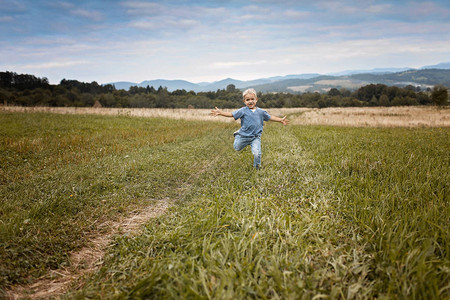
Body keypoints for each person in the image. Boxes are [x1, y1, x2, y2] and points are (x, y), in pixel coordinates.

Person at [211, 88, 288, 169]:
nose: (250, 101)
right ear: (244, 101)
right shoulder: (242, 111)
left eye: (252, 99)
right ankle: (237, 134)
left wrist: (280, 120)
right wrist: (220, 113)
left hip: (255, 137)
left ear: (256, 100)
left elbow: (270, 117)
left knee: (257, 153)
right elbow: (231, 114)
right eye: (248, 100)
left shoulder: (261, 112)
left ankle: (257, 168)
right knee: (237, 148)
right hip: (243, 136)